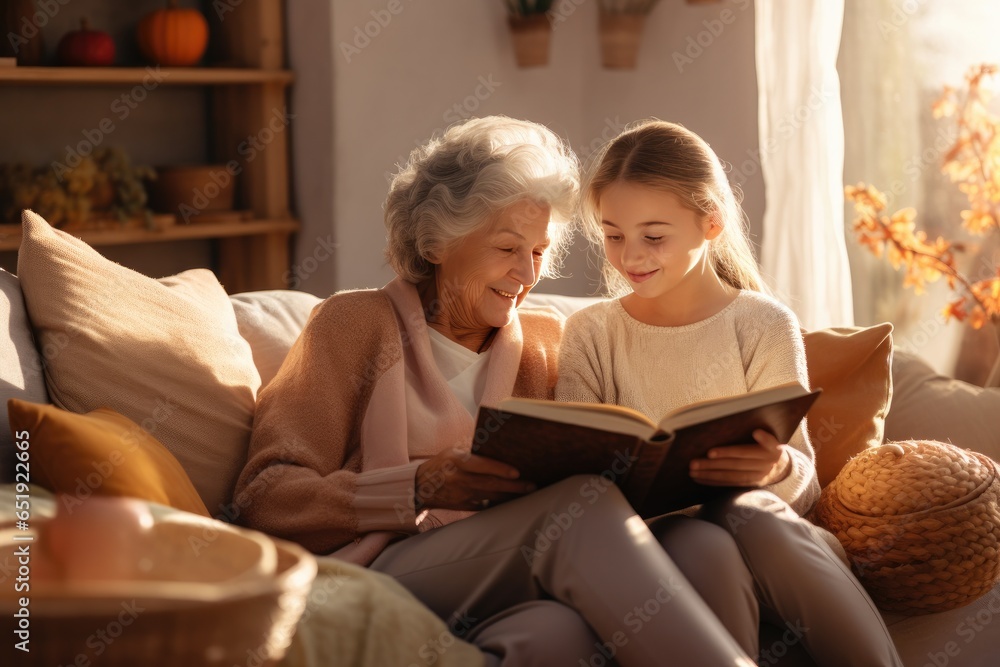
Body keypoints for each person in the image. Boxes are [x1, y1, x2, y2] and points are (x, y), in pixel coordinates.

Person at [235, 116, 763, 666]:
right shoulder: (352, 324)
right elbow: (265, 496)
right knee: (576, 512)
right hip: (378, 566)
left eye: (538, 253)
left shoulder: (543, 345)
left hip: (502, 578)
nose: (525, 274)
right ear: (438, 241)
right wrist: (415, 486)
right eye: (507, 248)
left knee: (559, 633)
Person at [555, 118, 903, 666]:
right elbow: (575, 467)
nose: (629, 257)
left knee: (748, 514)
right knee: (701, 541)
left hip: (770, 531)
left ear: (711, 222)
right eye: (613, 235)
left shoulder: (762, 322)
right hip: (657, 540)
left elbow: (804, 482)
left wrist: (771, 470)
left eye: (654, 236)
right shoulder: (592, 333)